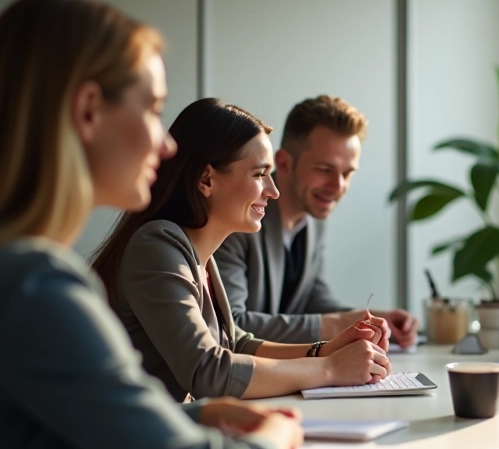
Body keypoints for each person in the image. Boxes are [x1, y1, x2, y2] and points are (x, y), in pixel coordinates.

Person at [0, 0, 302, 449]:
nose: (166, 146)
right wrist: (275, 437)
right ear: (89, 110)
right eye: (154, 110)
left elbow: (68, 434)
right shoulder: (34, 289)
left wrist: (194, 419)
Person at [93, 98, 392, 402]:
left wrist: (325, 350)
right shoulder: (156, 246)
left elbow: (235, 343)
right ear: (206, 179)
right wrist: (329, 368)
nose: (273, 191)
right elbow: (208, 372)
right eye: (260, 174)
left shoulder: (199, 257)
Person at [215, 95, 418, 347]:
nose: (338, 186)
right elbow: (230, 324)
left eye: (347, 173)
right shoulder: (237, 216)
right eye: (324, 170)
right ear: (284, 163)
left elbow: (313, 300)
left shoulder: (313, 218)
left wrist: (371, 321)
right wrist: (340, 324)